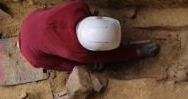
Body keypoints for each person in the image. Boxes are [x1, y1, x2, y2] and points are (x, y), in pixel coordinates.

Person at [18, 1, 159, 72]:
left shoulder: (79, 6)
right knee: (73, 66)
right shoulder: (77, 53)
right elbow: (109, 56)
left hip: (30, 20)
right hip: (34, 54)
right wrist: (139, 52)